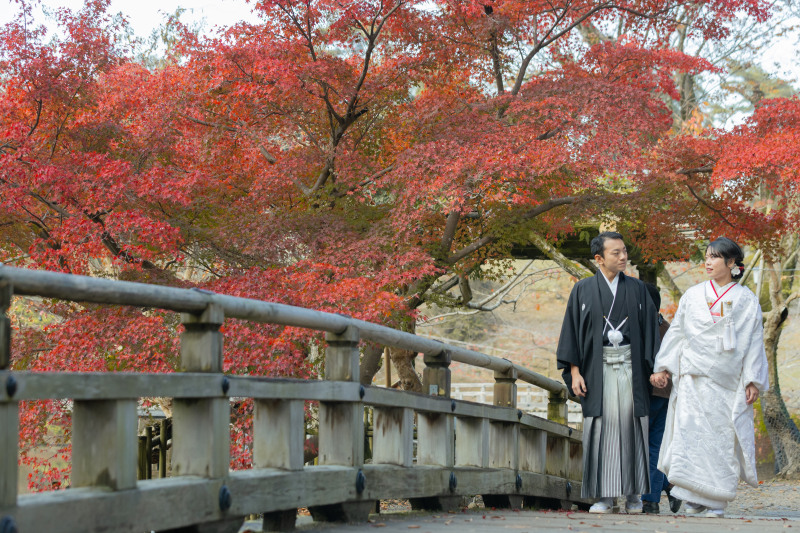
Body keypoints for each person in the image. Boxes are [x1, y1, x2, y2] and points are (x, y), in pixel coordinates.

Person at [650, 237, 769, 518]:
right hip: (692, 377)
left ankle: (716, 500)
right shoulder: (692, 295)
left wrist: (753, 379)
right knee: (690, 436)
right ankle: (693, 499)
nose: (708, 262)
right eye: (706, 256)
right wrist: (663, 367)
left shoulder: (746, 300)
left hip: (727, 381)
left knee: (720, 438)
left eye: (715, 257)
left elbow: (754, 341)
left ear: (731, 263)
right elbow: (677, 332)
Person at [556, 231, 661, 514]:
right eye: (616, 253)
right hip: (596, 370)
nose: (623, 256)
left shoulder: (638, 289)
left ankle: (634, 495)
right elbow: (572, 333)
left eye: (624, 251)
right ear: (599, 259)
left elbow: (652, 330)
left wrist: (657, 369)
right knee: (600, 429)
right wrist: (575, 372)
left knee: (632, 428)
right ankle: (603, 497)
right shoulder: (583, 289)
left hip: (630, 367)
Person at [641, 284, 682, 514]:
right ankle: (661, 489)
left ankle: (651, 498)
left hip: (649, 394)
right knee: (654, 445)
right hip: (664, 394)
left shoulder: (641, 328)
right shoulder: (667, 327)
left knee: (647, 445)